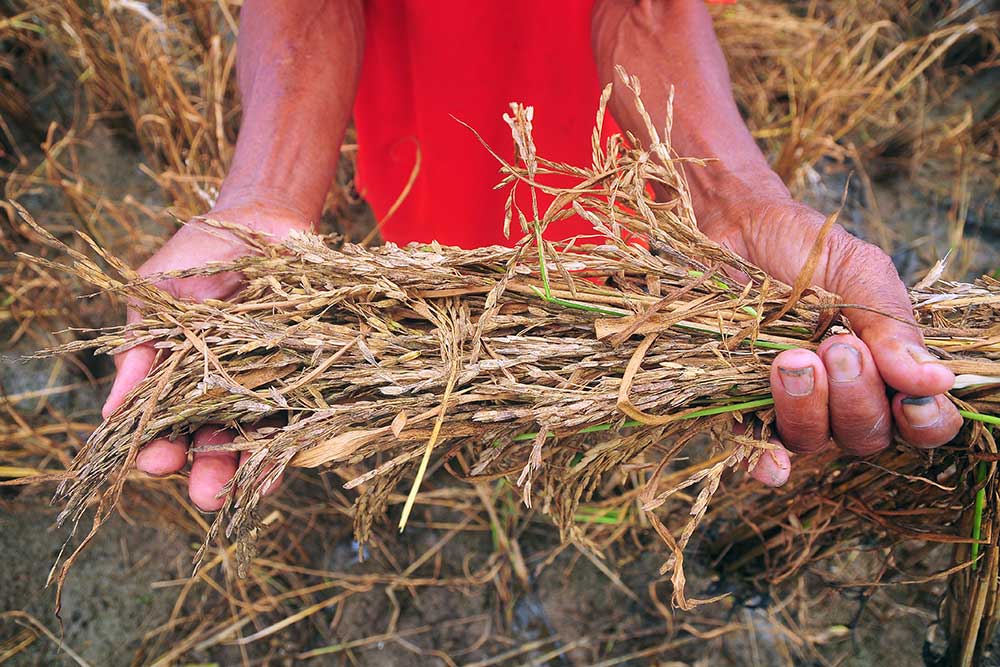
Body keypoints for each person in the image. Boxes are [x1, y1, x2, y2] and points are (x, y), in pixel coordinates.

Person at [101, 0, 962, 512]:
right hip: (429, 31)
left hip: (606, 58)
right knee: (451, 196)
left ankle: (590, 390)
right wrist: (268, 195)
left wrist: (732, 196)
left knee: (613, 220)